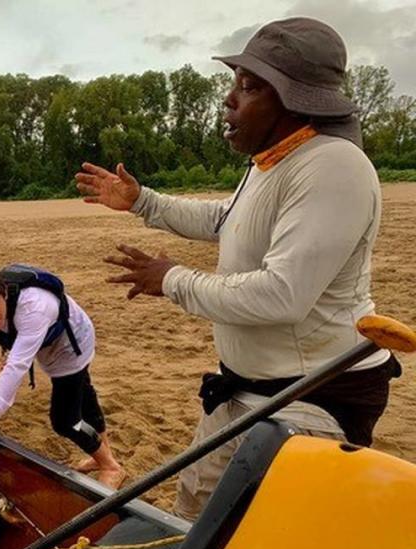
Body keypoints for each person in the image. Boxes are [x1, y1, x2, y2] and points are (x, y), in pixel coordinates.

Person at [76, 17, 399, 519]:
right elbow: (227, 220)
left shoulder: (334, 167)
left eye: (248, 87)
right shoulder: (273, 162)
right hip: (249, 390)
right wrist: (144, 202)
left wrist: (173, 279)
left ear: (295, 101)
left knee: (255, 533)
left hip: (309, 397)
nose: (230, 99)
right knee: (194, 512)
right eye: (235, 83)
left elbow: (282, 295)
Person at [0, 266, 124, 488]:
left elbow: (17, 364)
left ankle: (111, 466)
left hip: (70, 345)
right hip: (45, 345)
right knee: (84, 393)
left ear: (3, 292)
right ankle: (102, 456)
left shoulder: (34, 306)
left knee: (65, 420)